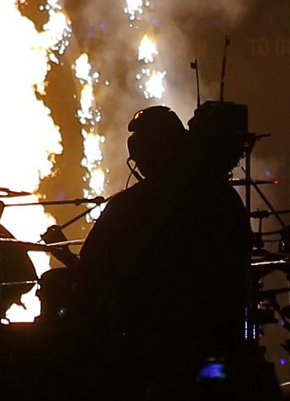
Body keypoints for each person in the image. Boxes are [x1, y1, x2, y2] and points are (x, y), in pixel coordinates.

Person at [70, 105, 256, 382]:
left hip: (148, 353)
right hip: (216, 354)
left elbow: (90, 273)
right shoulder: (223, 199)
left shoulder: (127, 207)